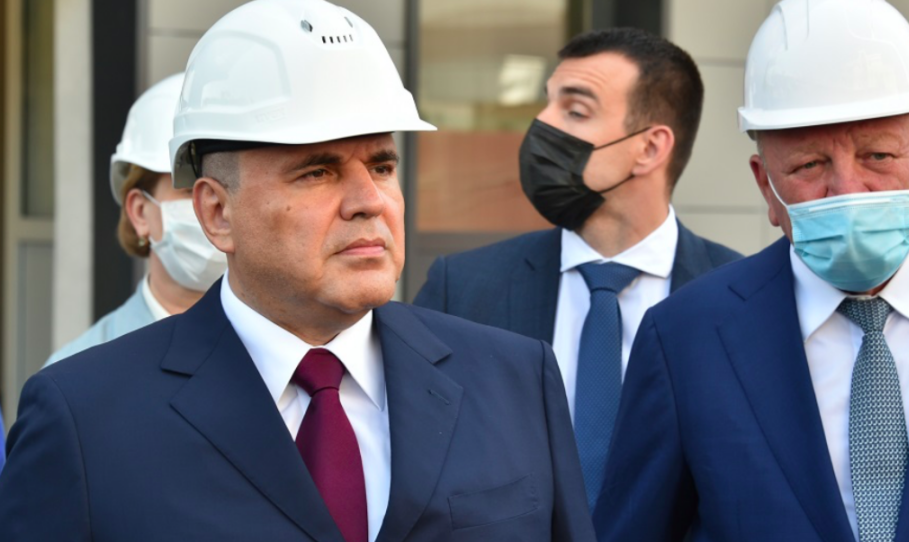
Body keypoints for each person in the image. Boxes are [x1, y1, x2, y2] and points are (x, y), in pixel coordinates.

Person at [0, 1, 595, 541]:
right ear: (217, 212)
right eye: (318, 172)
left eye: (382, 166)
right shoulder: (86, 419)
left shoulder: (515, 381)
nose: (370, 201)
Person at [595, 0, 909, 541]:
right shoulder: (685, 338)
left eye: (877, 157)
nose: (847, 190)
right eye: (808, 165)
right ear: (765, 185)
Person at [414, 27, 742, 508]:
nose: (541, 124)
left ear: (650, 148)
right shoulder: (461, 289)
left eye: (575, 110)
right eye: (547, 103)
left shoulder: (744, 300)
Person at [44, 72, 226, 366]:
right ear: (140, 212)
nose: (215, 208)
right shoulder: (80, 370)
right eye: (190, 191)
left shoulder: (292, 350)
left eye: (225, 189)